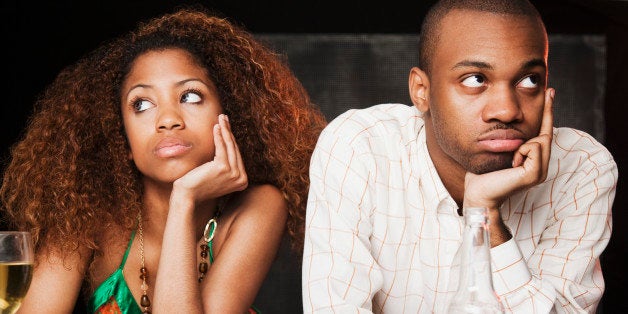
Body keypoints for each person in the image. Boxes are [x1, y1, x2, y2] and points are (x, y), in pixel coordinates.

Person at [0, 6, 327, 313]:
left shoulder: (259, 206)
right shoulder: (86, 213)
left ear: (230, 116)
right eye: (141, 104)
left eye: (190, 96)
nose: (167, 119)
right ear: (122, 138)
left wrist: (183, 198)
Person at [302, 0, 617, 313]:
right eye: (475, 80)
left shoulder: (581, 168)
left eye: (529, 80)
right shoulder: (359, 147)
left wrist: (485, 218)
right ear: (421, 91)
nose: (506, 110)